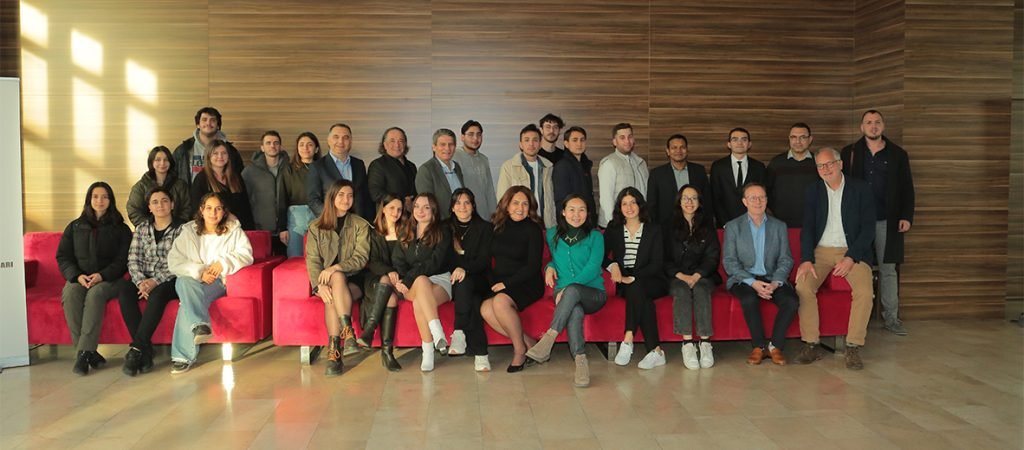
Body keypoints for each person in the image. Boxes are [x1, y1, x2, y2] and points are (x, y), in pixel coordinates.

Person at [795, 148, 876, 370]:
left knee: (865, 292)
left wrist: (851, 257)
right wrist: (806, 259)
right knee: (803, 286)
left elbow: (868, 229)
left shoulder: (861, 189)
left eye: (829, 164)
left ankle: (853, 346)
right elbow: (808, 228)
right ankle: (811, 344)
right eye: (820, 166)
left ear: (840, 164)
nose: (825, 169)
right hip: (820, 251)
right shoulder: (813, 190)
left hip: (852, 250)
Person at [841, 110, 915, 336]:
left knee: (888, 270)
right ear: (861, 127)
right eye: (868, 122)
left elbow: (907, 187)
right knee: (853, 267)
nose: (873, 126)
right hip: (856, 222)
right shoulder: (849, 152)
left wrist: (906, 216)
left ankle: (891, 318)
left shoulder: (898, 154)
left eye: (877, 122)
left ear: (883, 126)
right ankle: (853, 319)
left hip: (887, 220)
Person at [167, 193, 253, 374]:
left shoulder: (233, 230)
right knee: (183, 282)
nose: (213, 213)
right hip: (193, 280)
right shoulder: (188, 232)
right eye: (209, 208)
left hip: (217, 282)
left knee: (187, 302)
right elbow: (174, 261)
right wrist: (199, 272)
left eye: (218, 208)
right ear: (201, 210)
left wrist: (223, 263)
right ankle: (200, 325)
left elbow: (246, 255)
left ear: (224, 212)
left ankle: (184, 353)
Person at [525, 195, 606, 387]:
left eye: (582, 210)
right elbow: (549, 259)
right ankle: (581, 362)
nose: (576, 214)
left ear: (588, 213)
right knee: (574, 311)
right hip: (563, 292)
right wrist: (549, 267)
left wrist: (570, 288)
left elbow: (593, 267)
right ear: (563, 212)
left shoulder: (596, 236)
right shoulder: (552, 234)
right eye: (571, 209)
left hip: (593, 293)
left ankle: (549, 339)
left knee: (573, 292)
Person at [56, 182, 131, 375]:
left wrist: (101, 275)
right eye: (95, 196)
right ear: (89, 199)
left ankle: (83, 354)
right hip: (81, 278)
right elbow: (63, 257)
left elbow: (123, 260)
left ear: (111, 200)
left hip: (110, 280)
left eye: (105, 197)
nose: (100, 201)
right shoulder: (74, 226)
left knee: (95, 294)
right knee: (71, 293)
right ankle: (88, 352)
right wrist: (77, 276)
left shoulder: (121, 229)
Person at [722, 183, 797, 366]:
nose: (758, 201)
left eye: (761, 197)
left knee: (791, 301)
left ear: (766, 200)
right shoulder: (733, 227)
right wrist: (752, 283)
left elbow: (786, 259)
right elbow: (729, 261)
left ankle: (775, 346)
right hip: (743, 279)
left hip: (771, 277)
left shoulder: (779, 226)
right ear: (744, 201)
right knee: (749, 299)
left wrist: (776, 282)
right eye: (753, 198)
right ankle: (758, 346)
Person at [116, 186, 185, 376]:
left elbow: (179, 262)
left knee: (159, 293)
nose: (160, 205)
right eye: (155, 202)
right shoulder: (142, 229)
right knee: (124, 290)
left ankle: (137, 348)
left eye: (164, 201)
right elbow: (133, 259)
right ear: (149, 207)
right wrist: (140, 282)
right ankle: (144, 351)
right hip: (143, 278)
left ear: (172, 204)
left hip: (170, 279)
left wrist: (155, 281)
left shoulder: (183, 229)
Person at [305, 180, 371, 376]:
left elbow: (361, 258)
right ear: (332, 197)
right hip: (326, 283)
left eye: (350, 195)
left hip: (355, 280)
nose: (346, 199)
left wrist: (336, 267)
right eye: (341, 195)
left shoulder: (360, 224)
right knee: (334, 286)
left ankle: (334, 354)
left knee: (338, 279)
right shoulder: (316, 227)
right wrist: (319, 286)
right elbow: (313, 260)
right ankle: (347, 333)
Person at [481, 186, 545, 373]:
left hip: (527, 282)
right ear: (506, 205)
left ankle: (519, 351)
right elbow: (487, 261)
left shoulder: (533, 229)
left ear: (530, 208)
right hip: (501, 282)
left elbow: (533, 266)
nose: (520, 208)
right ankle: (529, 342)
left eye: (525, 204)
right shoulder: (496, 227)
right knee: (485, 309)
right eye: (516, 203)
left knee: (500, 302)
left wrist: (506, 284)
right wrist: (493, 283)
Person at [604, 188, 668, 369]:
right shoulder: (614, 228)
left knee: (637, 287)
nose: (629, 207)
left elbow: (657, 263)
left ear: (640, 205)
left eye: (633, 202)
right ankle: (656, 351)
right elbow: (602, 256)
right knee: (643, 299)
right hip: (626, 281)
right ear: (619, 207)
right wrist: (613, 266)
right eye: (624, 204)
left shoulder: (654, 229)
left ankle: (628, 338)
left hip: (653, 279)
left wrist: (633, 278)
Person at [392, 193, 453, 372]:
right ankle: (437, 331)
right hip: (412, 283)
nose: (420, 211)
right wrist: (405, 279)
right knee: (421, 280)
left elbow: (435, 263)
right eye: (417, 206)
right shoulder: (405, 230)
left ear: (433, 210)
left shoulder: (442, 231)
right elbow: (398, 260)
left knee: (420, 299)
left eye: (426, 207)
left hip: (439, 279)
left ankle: (428, 351)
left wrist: (409, 277)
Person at [665, 185, 721, 370]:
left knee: (701, 288)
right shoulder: (667, 226)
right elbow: (663, 257)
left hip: (702, 275)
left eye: (694, 198)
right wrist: (681, 275)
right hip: (676, 275)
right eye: (685, 198)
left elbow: (712, 257)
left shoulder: (707, 226)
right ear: (679, 202)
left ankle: (705, 343)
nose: (689, 202)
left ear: (699, 202)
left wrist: (697, 275)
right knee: (681, 290)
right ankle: (687, 344)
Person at [446, 188, 494, 371]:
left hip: (479, 278)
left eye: (467, 202)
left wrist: (465, 269)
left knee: (467, 285)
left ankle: (459, 331)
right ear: (452, 207)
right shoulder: (445, 228)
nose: (462, 207)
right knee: (472, 299)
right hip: (453, 281)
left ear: (473, 206)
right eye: (458, 203)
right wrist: (457, 270)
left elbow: (484, 260)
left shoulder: (485, 228)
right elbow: (444, 258)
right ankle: (481, 354)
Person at [358, 194, 405, 371]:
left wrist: (398, 275)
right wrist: (388, 271)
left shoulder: (405, 231)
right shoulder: (373, 232)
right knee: (388, 291)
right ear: (383, 209)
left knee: (391, 295)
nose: (396, 212)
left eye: (399, 209)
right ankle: (386, 352)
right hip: (375, 280)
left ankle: (371, 333)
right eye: (392, 208)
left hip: (399, 280)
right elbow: (372, 261)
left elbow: (408, 259)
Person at [307, 123, 372, 219]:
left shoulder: (359, 164)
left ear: (350, 141)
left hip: (358, 222)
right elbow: (313, 200)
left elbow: (365, 196)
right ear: (328, 140)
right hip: (331, 223)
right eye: (336, 137)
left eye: (345, 138)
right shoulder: (317, 167)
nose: (341, 141)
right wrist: (331, 218)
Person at [496, 124, 556, 227]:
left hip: (544, 222)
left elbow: (552, 198)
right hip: (519, 222)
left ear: (540, 144)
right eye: (527, 140)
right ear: (521, 144)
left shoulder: (548, 166)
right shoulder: (509, 166)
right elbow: (502, 198)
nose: (531, 144)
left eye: (535, 140)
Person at [242, 130, 289, 254]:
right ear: (262, 147)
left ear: (280, 146)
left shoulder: (290, 168)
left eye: (276, 143)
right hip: (261, 229)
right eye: (268, 143)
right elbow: (244, 200)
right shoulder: (249, 172)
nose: (272, 146)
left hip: (286, 230)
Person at [190, 139, 255, 230]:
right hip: (215, 231)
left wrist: (250, 230)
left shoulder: (236, 177)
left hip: (239, 230)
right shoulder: (201, 179)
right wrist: (227, 216)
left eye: (224, 153)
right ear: (208, 156)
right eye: (215, 153)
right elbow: (197, 210)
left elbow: (246, 207)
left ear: (228, 156)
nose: (220, 156)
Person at [172, 106, 244, 187]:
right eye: (204, 119)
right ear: (198, 124)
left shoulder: (231, 151)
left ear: (218, 125)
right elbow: (172, 176)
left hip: (222, 194)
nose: (208, 123)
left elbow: (239, 177)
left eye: (212, 120)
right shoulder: (184, 150)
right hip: (191, 194)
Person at [709, 128, 766, 227]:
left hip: (752, 223)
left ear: (749, 144)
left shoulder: (759, 167)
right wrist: (724, 223)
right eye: (735, 139)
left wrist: (755, 220)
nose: (739, 143)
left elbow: (761, 197)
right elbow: (715, 197)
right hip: (725, 224)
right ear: (729, 144)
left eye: (744, 139)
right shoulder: (718, 167)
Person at [647, 134, 708, 224]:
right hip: (666, 226)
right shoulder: (656, 174)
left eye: (682, 147)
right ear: (668, 151)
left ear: (687, 150)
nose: (678, 151)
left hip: (695, 224)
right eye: (674, 148)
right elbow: (652, 205)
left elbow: (706, 200)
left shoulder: (699, 171)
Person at [765, 123, 817, 227]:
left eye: (803, 137)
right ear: (789, 139)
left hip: (812, 224)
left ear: (810, 139)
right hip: (780, 224)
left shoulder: (819, 163)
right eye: (794, 137)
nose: (798, 141)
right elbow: (766, 191)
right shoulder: (776, 163)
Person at [597, 123, 649, 227]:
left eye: (630, 137)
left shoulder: (641, 163)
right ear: (614, 142)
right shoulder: (609, 163)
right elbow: (606, 199)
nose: (627, 141)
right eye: (622, 138)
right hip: (615, 224)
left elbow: (645, 194)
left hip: (637, 223)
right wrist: (613, 224)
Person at [278, 131, 321, 257]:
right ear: (297, 148)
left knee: (318, 256)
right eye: (301, 145)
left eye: (310, 145)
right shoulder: (288, 169)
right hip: (296, 217)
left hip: (319, 215)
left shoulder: (323, 168)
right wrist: (282, 228)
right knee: (295, 255)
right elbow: (282, 198)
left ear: (316, 149)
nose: (305, 148)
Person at [126, 146, 191, 227]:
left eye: (166, 160)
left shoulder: (180, 185)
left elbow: (187, 208)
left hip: (176, 230)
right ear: (151, 162)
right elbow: (134, 210)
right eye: (158, 160)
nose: (162, 163)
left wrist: (176, 226)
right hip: (148, 231)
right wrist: (150, 227)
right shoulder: (141, 186)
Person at [415, 129, 464, 220]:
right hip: (439, 224)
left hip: (458, 221)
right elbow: (427, 205)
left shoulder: (457, 167)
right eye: (443, 144)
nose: (447, 148)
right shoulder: (426, 170)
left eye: (451, 144)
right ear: (434, 147)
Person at [552, 126, 597, 225]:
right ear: (566, 144)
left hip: (586, 221)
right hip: (572, 222)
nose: (579, 144)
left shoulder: (585, 164)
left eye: (582, 140)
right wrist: (564, 226)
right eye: (575, 140)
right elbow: (561, 200)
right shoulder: (562, 166)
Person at [453, 120, 497, 219]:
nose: (475, 138)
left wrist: (494, 213)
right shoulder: (454, 156)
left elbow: (489, 190)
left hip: (483, 214)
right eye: (471, 134)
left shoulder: (484, 159)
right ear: (462, 137)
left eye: (479, 135)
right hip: (463, 213)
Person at [367, 127, 417, 211]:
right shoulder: (377, 165)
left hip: (410, 215)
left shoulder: (411, 166)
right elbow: (375, 193)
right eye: (392, 141)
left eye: (401, 141)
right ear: (385, 145)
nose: (397, 145)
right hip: (389, 214)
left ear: (405, 144)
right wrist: (402, 201)